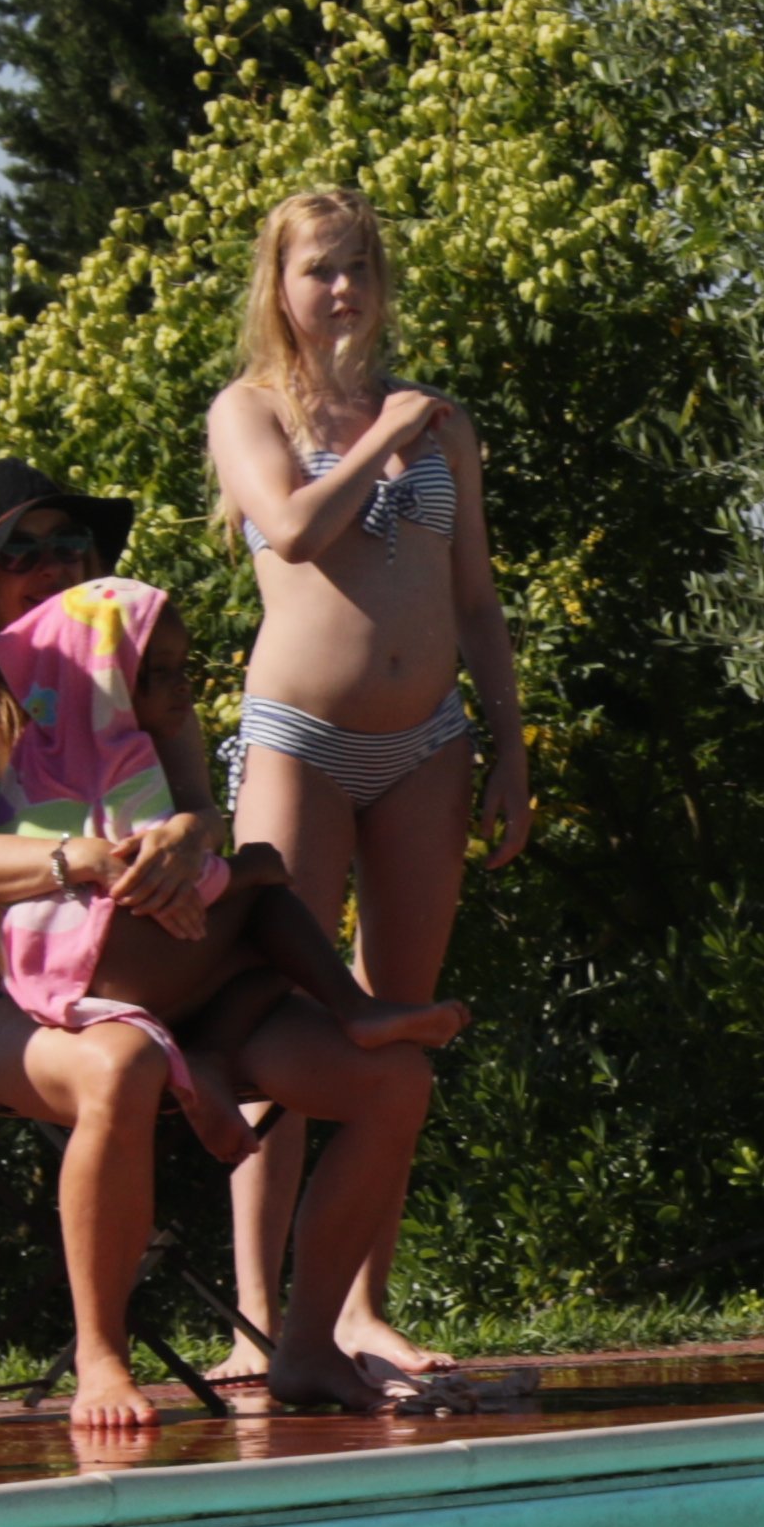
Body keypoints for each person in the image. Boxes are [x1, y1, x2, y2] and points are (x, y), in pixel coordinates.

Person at [0, 461, 458, 1432]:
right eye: (18, 553)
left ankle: (308, 1345)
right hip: (14, 1013)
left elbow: (200, 810)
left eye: (69, 544)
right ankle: (101, 1356)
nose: (51, 565)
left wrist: (190, 839)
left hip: (183, 981)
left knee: (393, 1081)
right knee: (120, 1063)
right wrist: (73, 860)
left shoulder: (139, 684)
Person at [207, 188, 532, 1379]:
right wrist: (383, 436)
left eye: (358, 266)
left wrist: (510, 744)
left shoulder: (442, 423)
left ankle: (357, 1310)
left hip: (427, 745)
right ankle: (254, 1321)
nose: (341, 288)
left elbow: (475, 598)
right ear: (279, 287)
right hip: (300, 738)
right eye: (318, 270)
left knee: (393, 1029)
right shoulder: (250, 410)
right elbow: (292, 530)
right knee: (280, 1025)